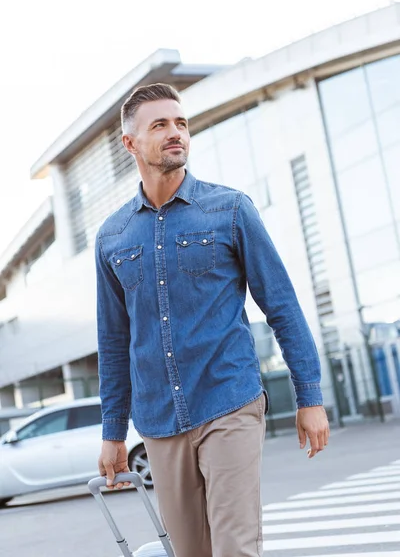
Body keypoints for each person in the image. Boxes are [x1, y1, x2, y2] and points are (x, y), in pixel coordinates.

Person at [96, 83, 330, 557]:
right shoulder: (113, 236)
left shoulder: (229, 209)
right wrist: (113, 431)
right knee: (190, 551)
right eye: (159, 125)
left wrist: (310, 396)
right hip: (159, 420)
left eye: (180, 123)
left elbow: (281, 305)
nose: (175, 132)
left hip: (230, 400)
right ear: (131, 144)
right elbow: (114, 341)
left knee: (234, 547)